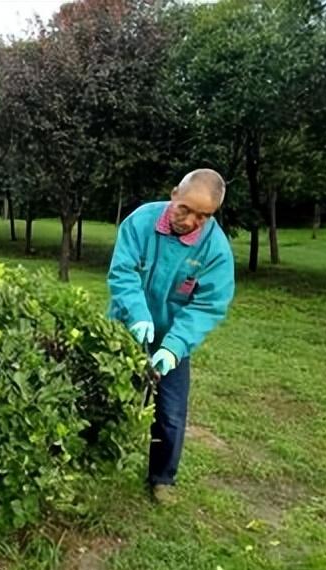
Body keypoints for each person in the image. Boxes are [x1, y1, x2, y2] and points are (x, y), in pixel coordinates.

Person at [107, 169, 235, 504]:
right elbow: (123, 272)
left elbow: (208, 305)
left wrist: (174, 348)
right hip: (124, 329)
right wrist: (136, 316)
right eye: (185, 209)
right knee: (108, 398)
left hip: (172, 343)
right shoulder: (140, 222)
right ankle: (98, 460)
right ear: (174, 193)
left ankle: (162, 478)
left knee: (170, 413)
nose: (191, 221)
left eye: (203, 216)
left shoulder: (215, 250)